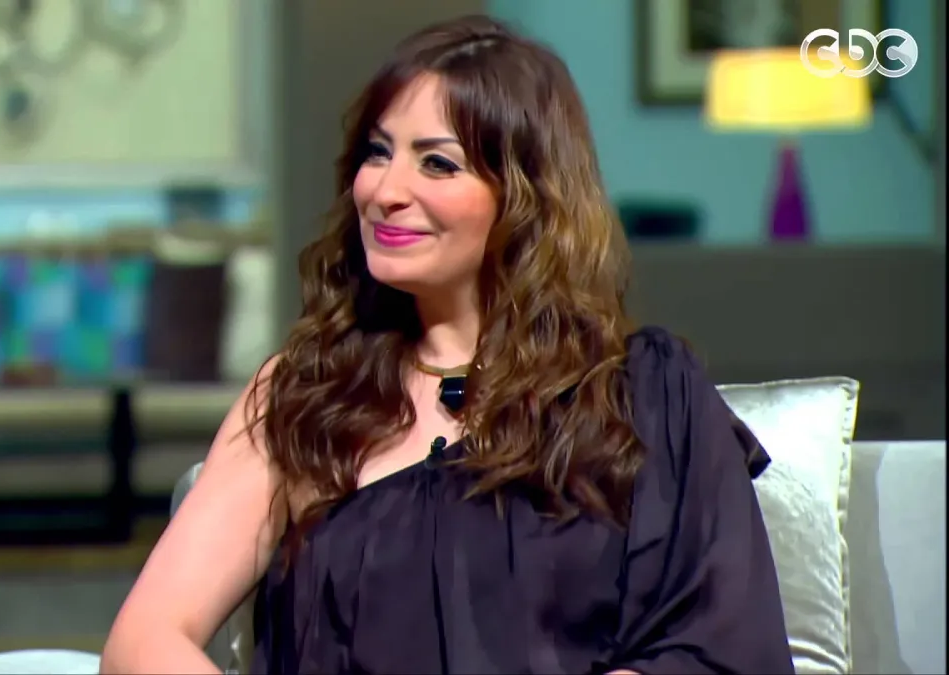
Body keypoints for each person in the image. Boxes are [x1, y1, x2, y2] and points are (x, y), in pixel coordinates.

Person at [102, 15, 795, 675]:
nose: (385, 191)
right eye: (378, 153)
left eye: (437, 163)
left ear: (525, 197)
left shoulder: (644, 394)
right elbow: (146, 639)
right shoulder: (304, 393)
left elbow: (717, 649)